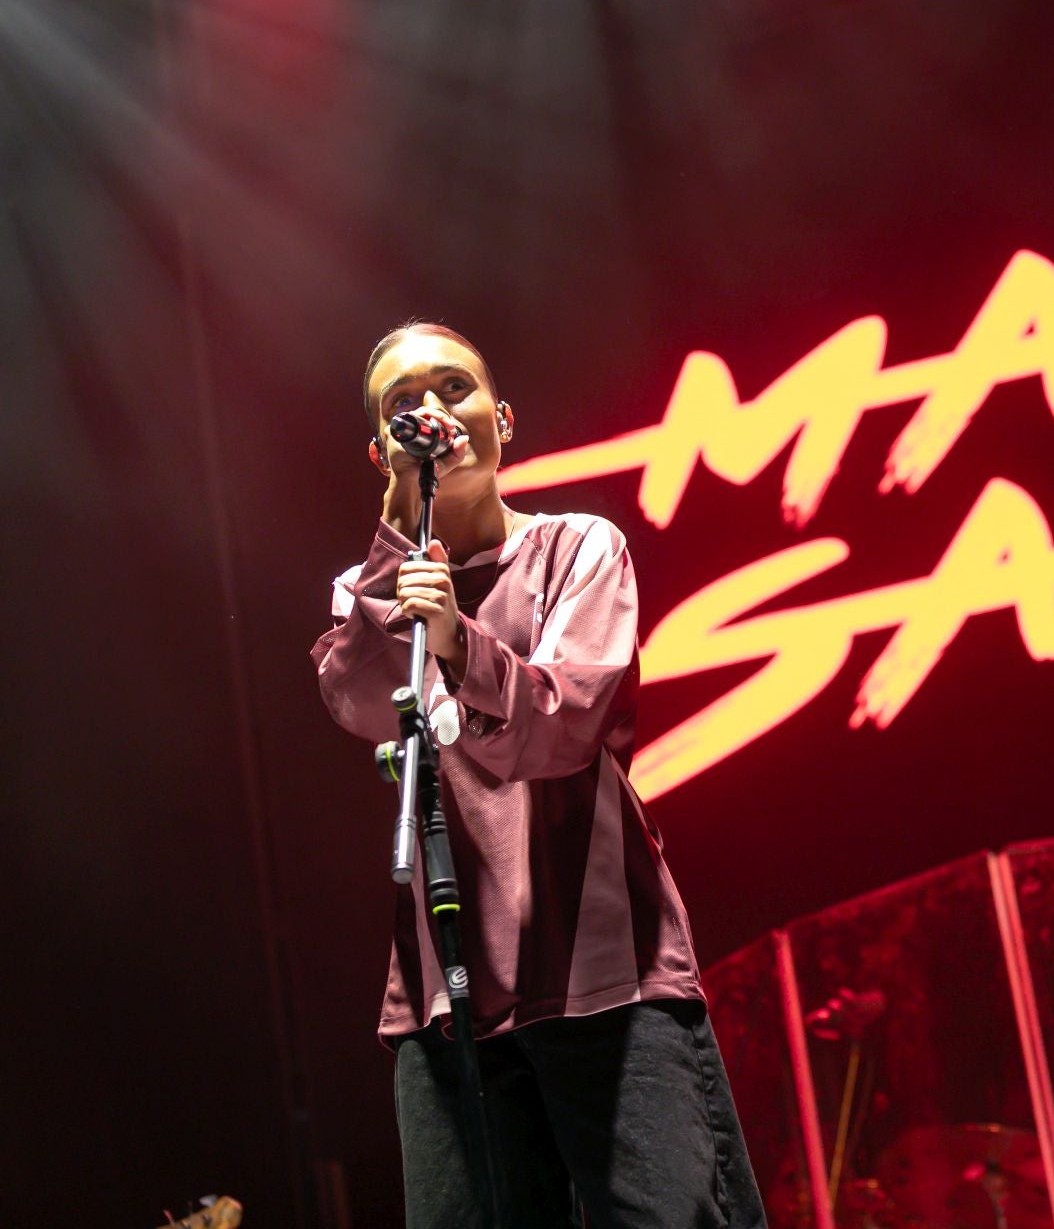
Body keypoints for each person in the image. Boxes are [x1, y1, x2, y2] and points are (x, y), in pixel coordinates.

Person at [311, 321, 767, 1228]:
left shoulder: (578, 549)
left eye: (453, 389)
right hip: (449, 993)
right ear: (379, 450)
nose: (431, 412)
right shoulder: (370, 590)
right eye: (404, 404)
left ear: (502, 419)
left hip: (603, 974)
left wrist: (457, 643)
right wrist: (401, 551)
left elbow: (566, 725)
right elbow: (360, 705)